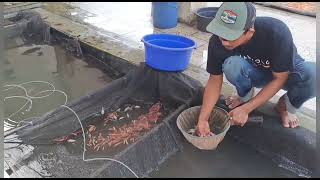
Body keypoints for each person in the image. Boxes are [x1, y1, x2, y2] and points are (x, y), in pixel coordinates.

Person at [196, 2, 316, 137]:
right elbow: (214, 79)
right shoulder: (217, 42)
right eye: (221, 33)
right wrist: (203, 119)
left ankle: (285, 106)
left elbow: (280, 78)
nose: (224, 42)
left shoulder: (276, 32)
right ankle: (244, 97)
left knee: (315, 75)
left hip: (285, 72)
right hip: (255, 73)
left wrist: (247, 110)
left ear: (250, 32)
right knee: (232, 65)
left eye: (230, 36)